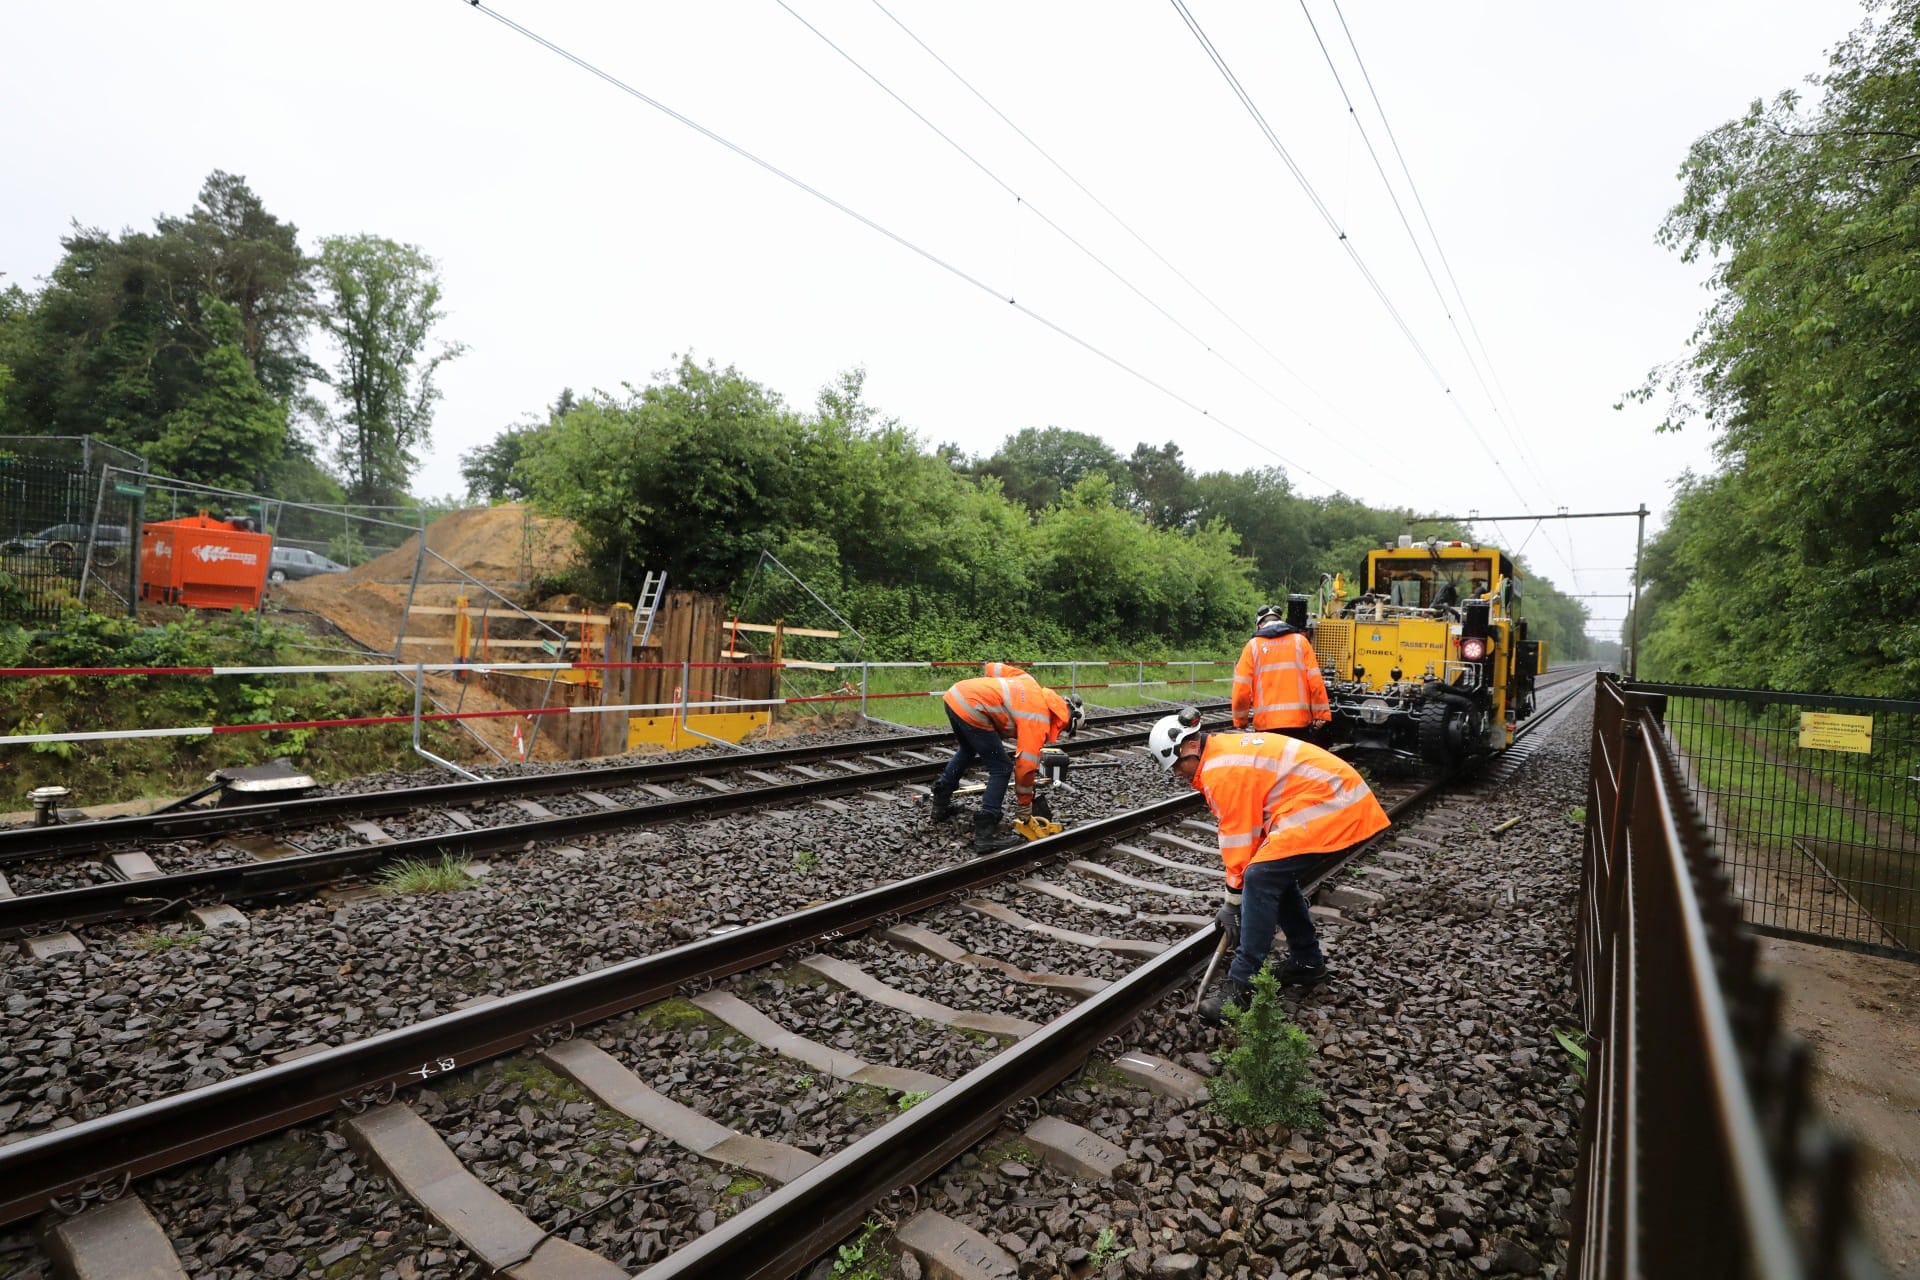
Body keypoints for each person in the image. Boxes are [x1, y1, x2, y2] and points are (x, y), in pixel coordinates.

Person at [1148, 706, 1391, 1021]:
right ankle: (1307, 963)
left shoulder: (1221, 771)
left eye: (1177, 765)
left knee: (1261, 876)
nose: (1178, 774)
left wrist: (1232, 903)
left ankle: (1241, 987)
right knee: (1274, 872)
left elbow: (1239, 840)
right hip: (1332, 795)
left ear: (1191, 746)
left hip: (1333, 801)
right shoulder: (1221, 756)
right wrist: (1234, 900)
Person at [931, 662, 1086, 853]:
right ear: (1068, 720)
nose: (1061, 733)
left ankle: (940, 805)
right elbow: (1025, 767)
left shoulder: (1029, 682)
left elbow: (993, 668)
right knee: (1002, 768)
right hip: (973, 706)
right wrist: (1024, 804)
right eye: (1066, 731)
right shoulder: (1039, 720)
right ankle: (985, 833)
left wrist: (992, 695)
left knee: (967, 749)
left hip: (955, 695)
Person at [1231, 604, 1330, 740]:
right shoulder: (1300, 642)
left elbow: (1241, 689)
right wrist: (1321, 714)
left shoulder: (1253, 646)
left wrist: (1240, 720)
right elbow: (1316, 682)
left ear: (1259, 625)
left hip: (1266, 726)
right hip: (1299, 724)